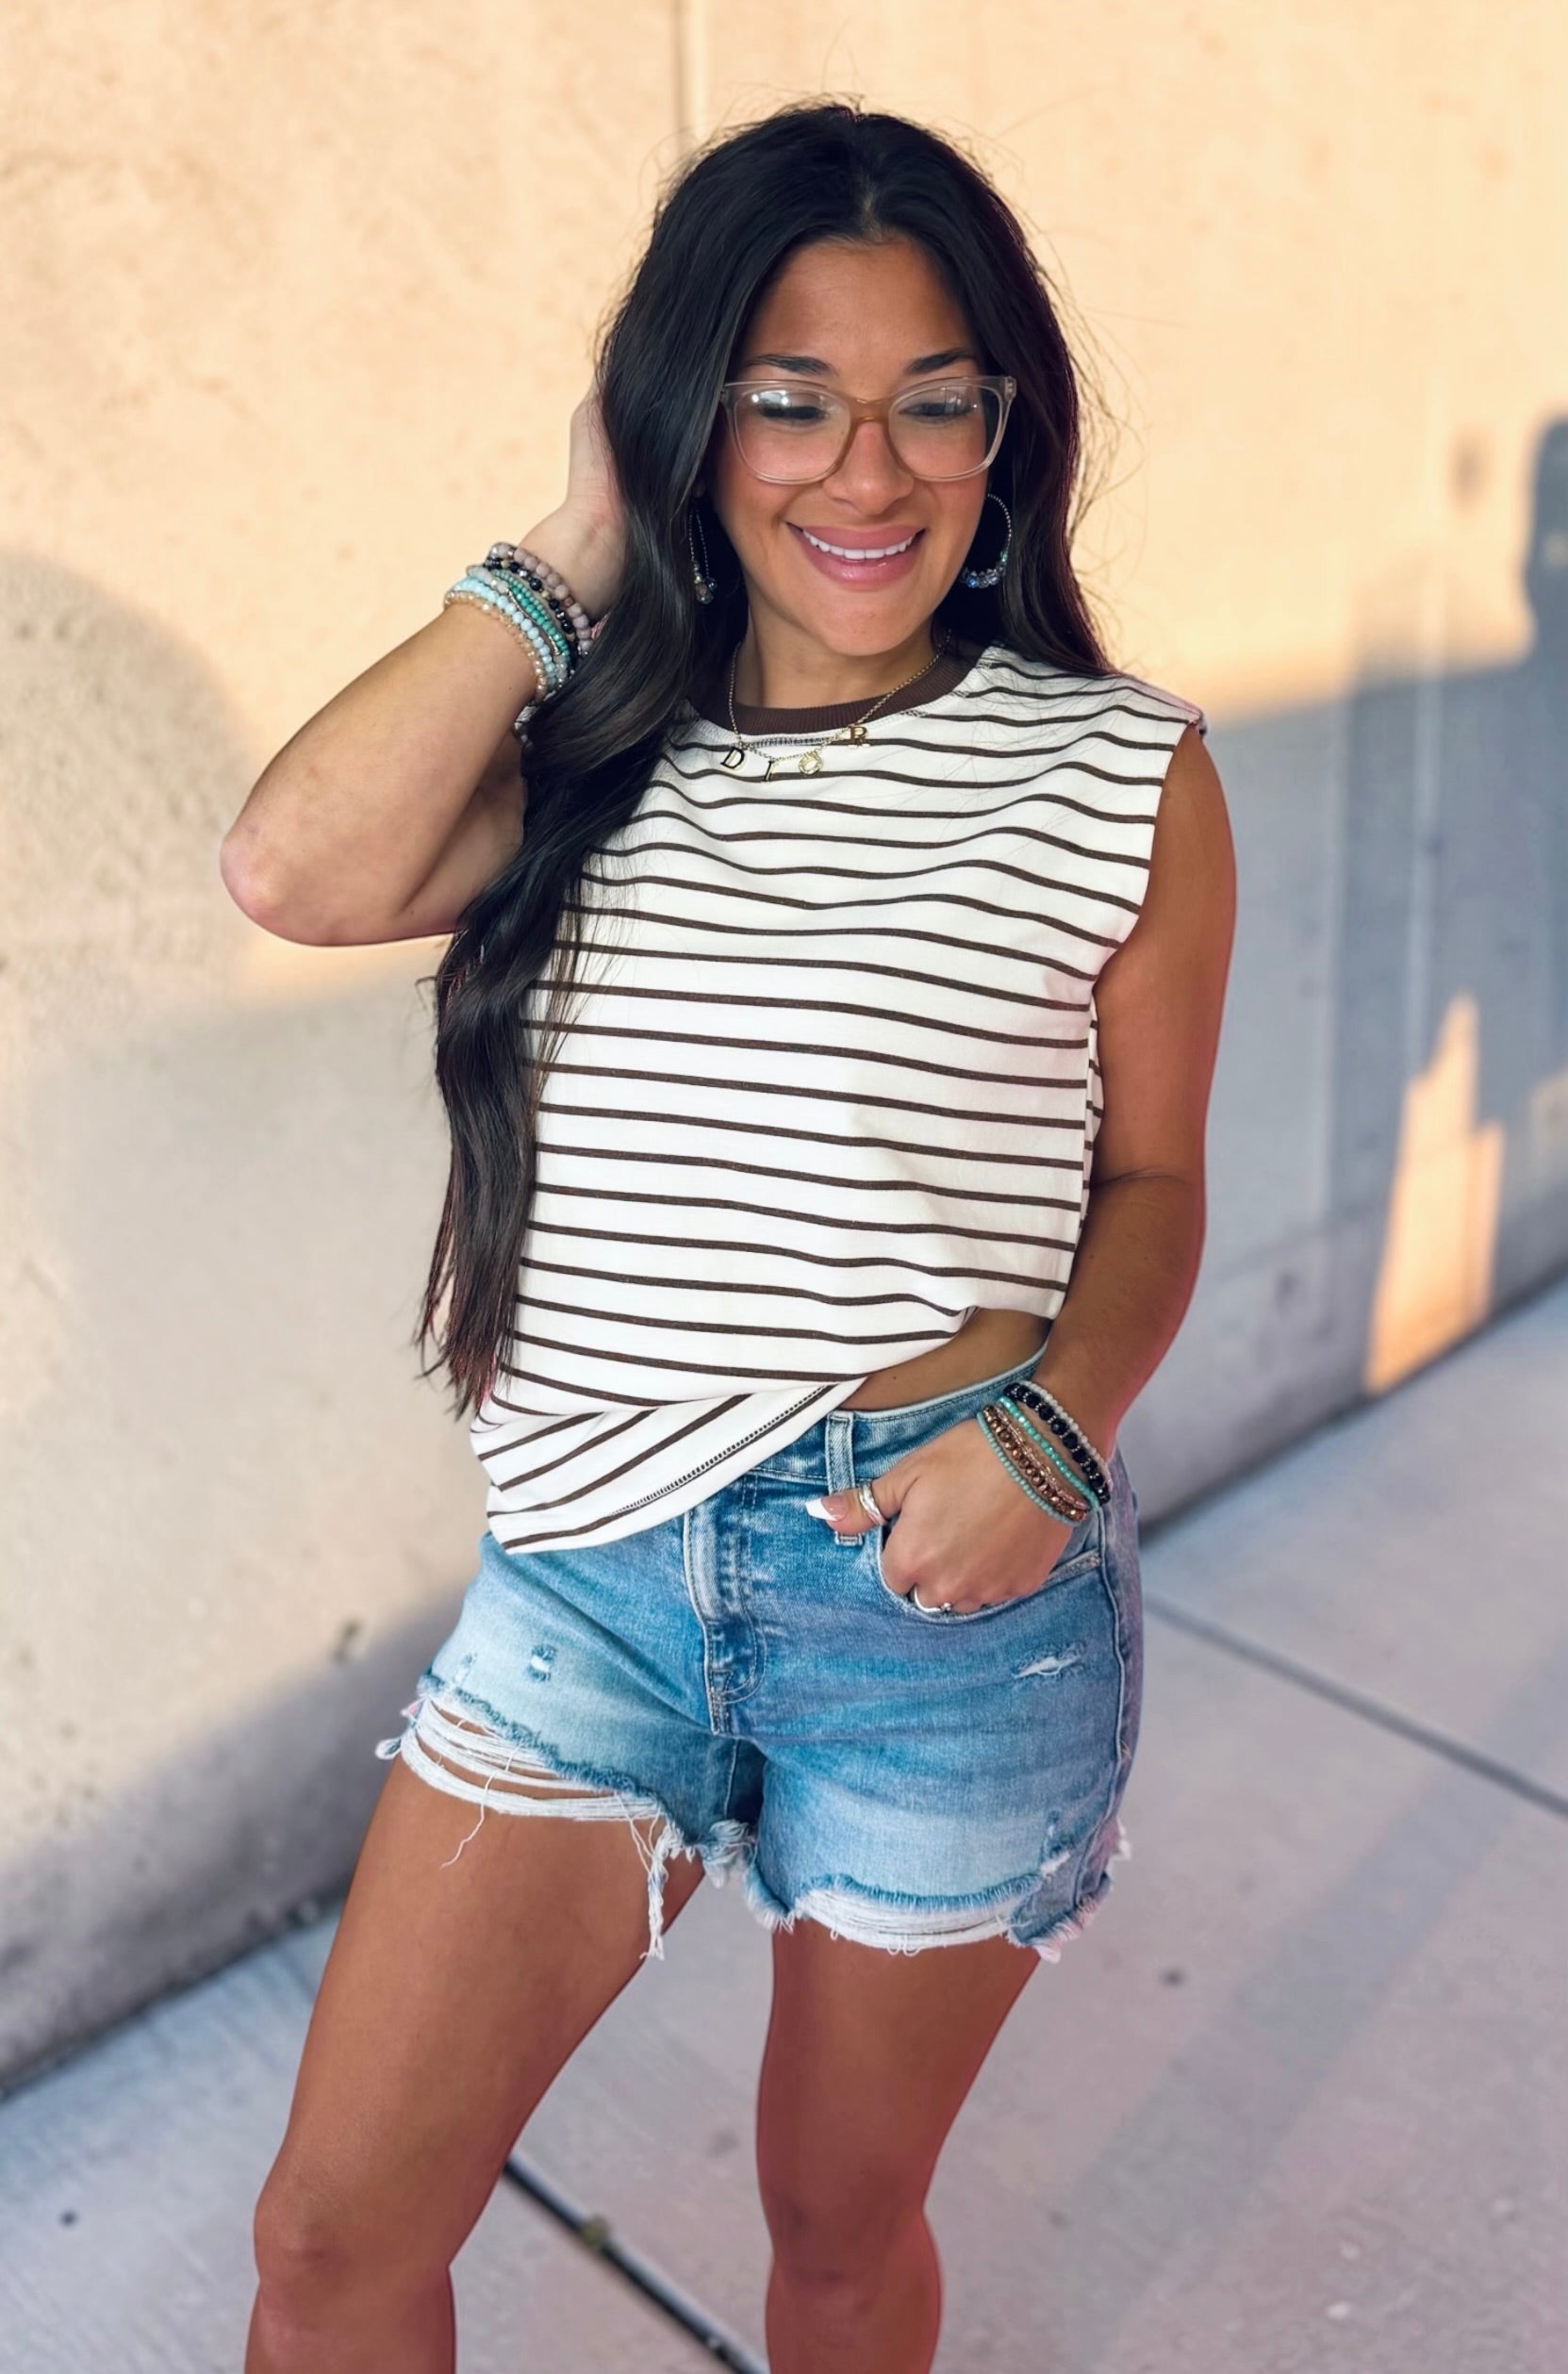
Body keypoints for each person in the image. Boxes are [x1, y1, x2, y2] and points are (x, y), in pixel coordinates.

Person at [222, 96, 1235, 2374]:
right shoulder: (587, 760)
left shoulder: (1116, 767)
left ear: (1003, 431)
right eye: (787, 399)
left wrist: (1052, 1435)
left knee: (833, 2232)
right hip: (591, 1577)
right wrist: (574, 541)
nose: (864, 472)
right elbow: (293, 866)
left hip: (940, 1594)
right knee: (329, 2243)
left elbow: (1155, 1187)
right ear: (691, 417)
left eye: (931, 402)